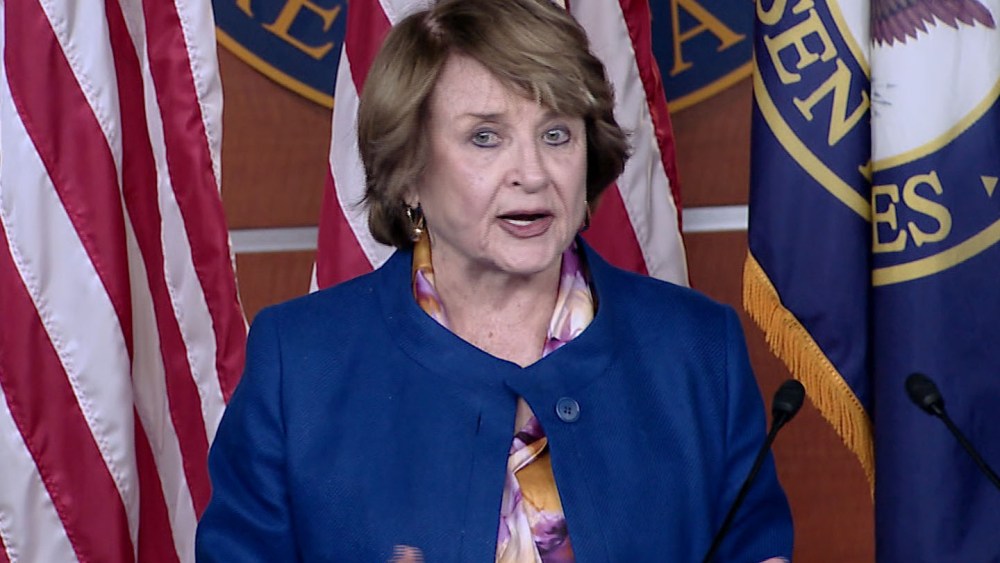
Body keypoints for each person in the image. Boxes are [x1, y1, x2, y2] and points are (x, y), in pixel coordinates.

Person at [195, 0, 793, 560]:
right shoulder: (299, 364)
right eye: (485, 137)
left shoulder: (697, 351)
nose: (532, 174)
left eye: (556, 134)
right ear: (409, 172)